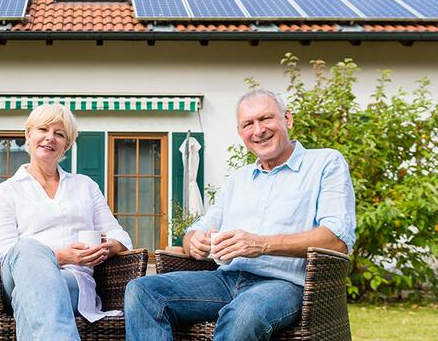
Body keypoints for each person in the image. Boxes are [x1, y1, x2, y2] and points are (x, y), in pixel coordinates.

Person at [124, 89, 356, 341]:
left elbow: (337, 240)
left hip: (284, 284)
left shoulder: (325, 163)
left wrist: (262, 244)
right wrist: (195, 241)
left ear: (287, 119)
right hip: (224, 280)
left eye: (266, 119)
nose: (258, 131)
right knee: (143, 291)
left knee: (243, 314)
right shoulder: (237, 179)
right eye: (248, 124)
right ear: (240, 132)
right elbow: (196, 230)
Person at [0, 104, 132, 341]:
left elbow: (122, 236)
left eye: (59, 134)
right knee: (26, 248)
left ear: (67, 144)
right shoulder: (7, 191)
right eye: (43, 129)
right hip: (17, 275)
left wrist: (106, 247)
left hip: (74, 282)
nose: (49, 138)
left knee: (28, 299)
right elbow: (7, 255)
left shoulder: (85, 186)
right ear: (28, 135)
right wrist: (62, 256)